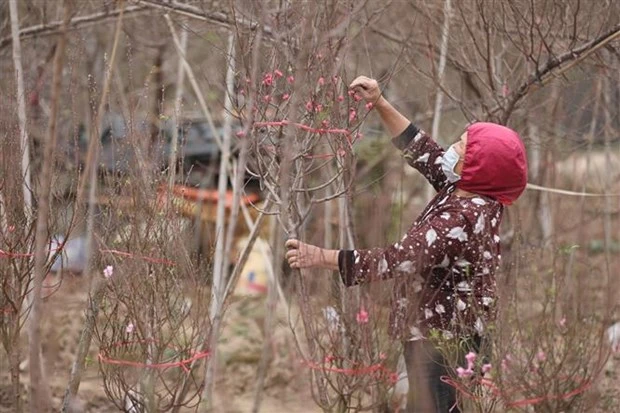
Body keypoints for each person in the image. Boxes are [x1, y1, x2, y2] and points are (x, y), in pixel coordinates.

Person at [285, 76, 528, 412]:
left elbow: (397, 259)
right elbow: (423, 151)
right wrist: (379, 102)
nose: (451, 149)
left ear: (476, 166)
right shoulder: (470, 191)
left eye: (461, 145)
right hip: (448, 334)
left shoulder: (461, 220)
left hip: (443, 343)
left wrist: (320, 256)